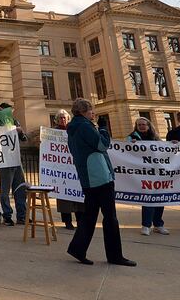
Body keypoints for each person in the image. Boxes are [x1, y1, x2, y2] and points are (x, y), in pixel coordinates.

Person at [66, 98, 136, 267]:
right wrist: (104, 129)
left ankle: (78, 248)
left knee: (89, 216)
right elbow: (102, 145)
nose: (93, 114)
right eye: (91, 111)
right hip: (100, 176)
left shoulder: (73, 128)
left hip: (88, 177)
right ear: (83, 111)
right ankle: (115, 255)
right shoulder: (84, 126)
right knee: (110, 216)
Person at [127, 117, 169, 236]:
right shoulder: (132, 138)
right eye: (139, 125)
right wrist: (131, 145)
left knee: (160, 199)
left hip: (157, 173)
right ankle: (146, 225)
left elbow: (165, 150)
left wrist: (173, 144)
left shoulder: (155, 138)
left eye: (143, 124)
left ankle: (158, 224)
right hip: (143, 174)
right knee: (148, 199)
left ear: (148, 125)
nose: (141, 126)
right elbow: (126, 151)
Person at [0, 103, 28, 226]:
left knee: (20, 189)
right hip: (5, 161)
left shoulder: (15, 121)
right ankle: (7, 216)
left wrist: (20, 131)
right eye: (7, 111)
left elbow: (24, 138)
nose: (10, 113)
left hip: (16, 160)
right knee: (5, 190)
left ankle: (22, 216)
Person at [53, 109, 83, 230]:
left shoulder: (74, 130)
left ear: (68, 119)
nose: (62, 119)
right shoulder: (53, 132)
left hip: (75, 167)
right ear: (56, 120)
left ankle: (80, 220)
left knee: (78, 194)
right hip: (62, 169)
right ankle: (67, 221)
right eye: (60, 118)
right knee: (64, 196)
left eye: (64, 117)